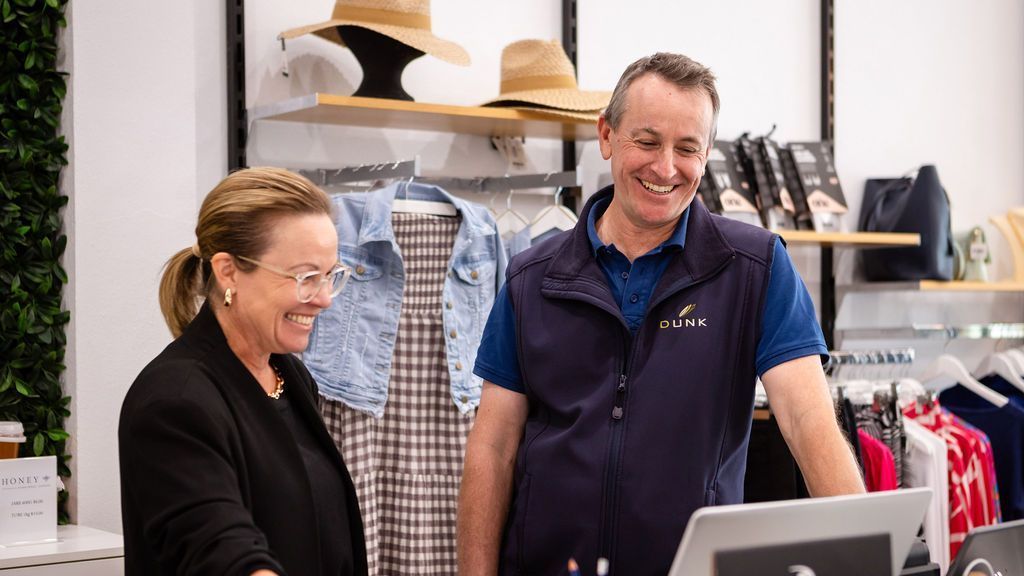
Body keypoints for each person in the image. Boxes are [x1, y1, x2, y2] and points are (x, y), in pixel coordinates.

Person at [457, 53, 866, 576]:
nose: (666, 168)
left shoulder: (756, 268)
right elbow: (492, 448)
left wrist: (865, 552)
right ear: (607, 136)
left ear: (707, 154)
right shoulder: (530, 277)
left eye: (687, 149)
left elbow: (808, 420)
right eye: (647, 142)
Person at [119, 167, 368, 576]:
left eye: (330, 276)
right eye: (305, 277)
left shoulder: (289, 377)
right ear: (228, 270)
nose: (324, 299)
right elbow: (220, 554)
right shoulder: (174, 400)